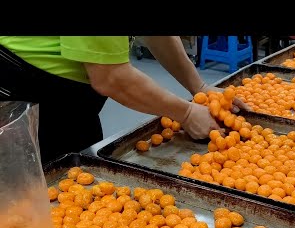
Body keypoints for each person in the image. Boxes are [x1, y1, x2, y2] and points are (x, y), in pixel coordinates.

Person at [0, 36, 247, 163]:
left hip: (72, 103)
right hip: (22, 97)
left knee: (79, 178)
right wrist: (187, 113)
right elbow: (110, 77)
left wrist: (200, 87)